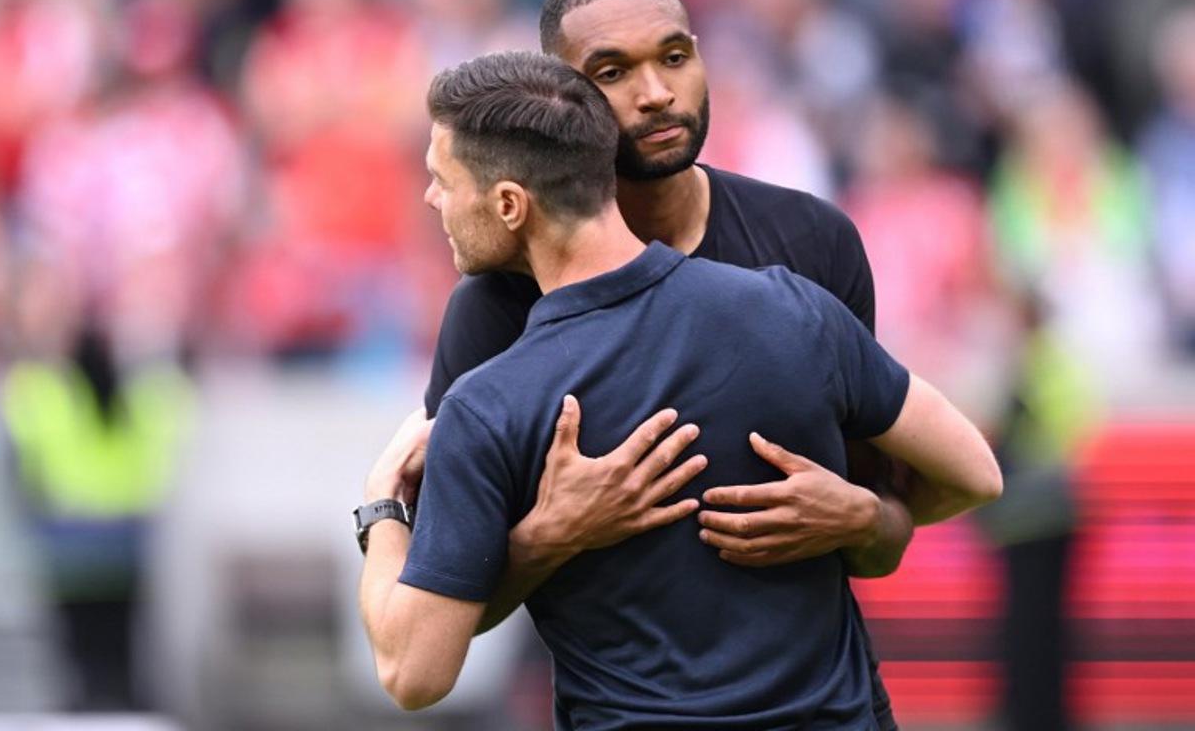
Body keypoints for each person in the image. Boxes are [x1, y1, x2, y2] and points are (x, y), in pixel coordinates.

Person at [357, 50, 1002, 729]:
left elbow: (413, 673)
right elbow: (976, 474)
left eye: (442, 180)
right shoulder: (793, 309)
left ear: (511, 205)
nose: (432, 199)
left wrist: (381, 507)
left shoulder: (489, 405)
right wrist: (869, 517)